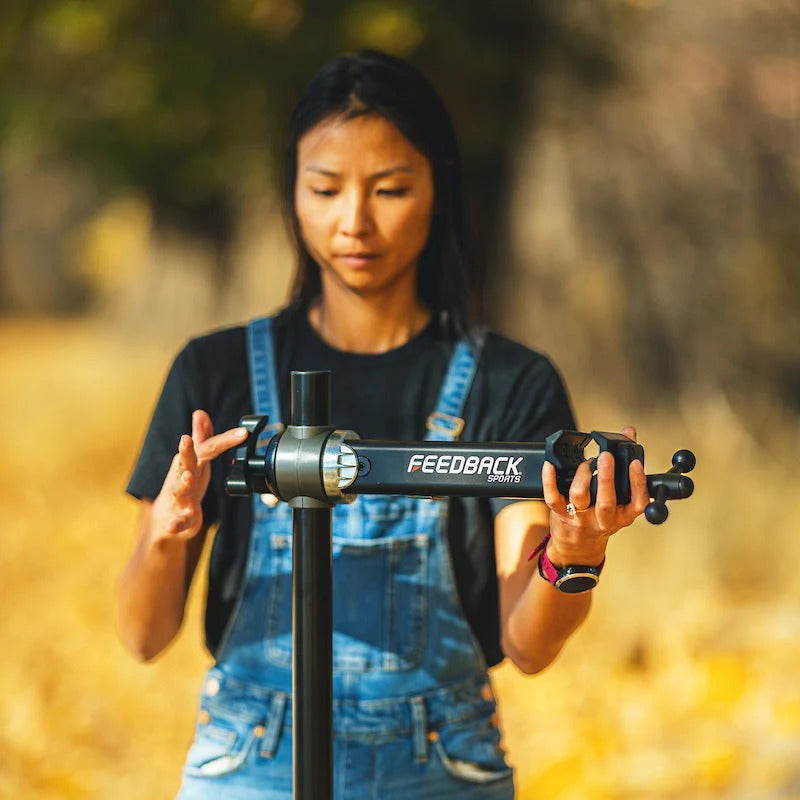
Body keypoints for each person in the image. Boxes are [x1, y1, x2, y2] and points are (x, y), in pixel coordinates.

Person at [118, 50, 649, 799]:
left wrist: (575, 551)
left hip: (443, 767)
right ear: (292, 193)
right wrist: (165, 538)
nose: (354, 221)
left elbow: (527, 645)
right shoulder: (217, 374)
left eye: (391, 188)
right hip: (250, 766)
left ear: (439, 190)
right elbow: (143, 636)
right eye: (325, 188)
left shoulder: (510, 383)